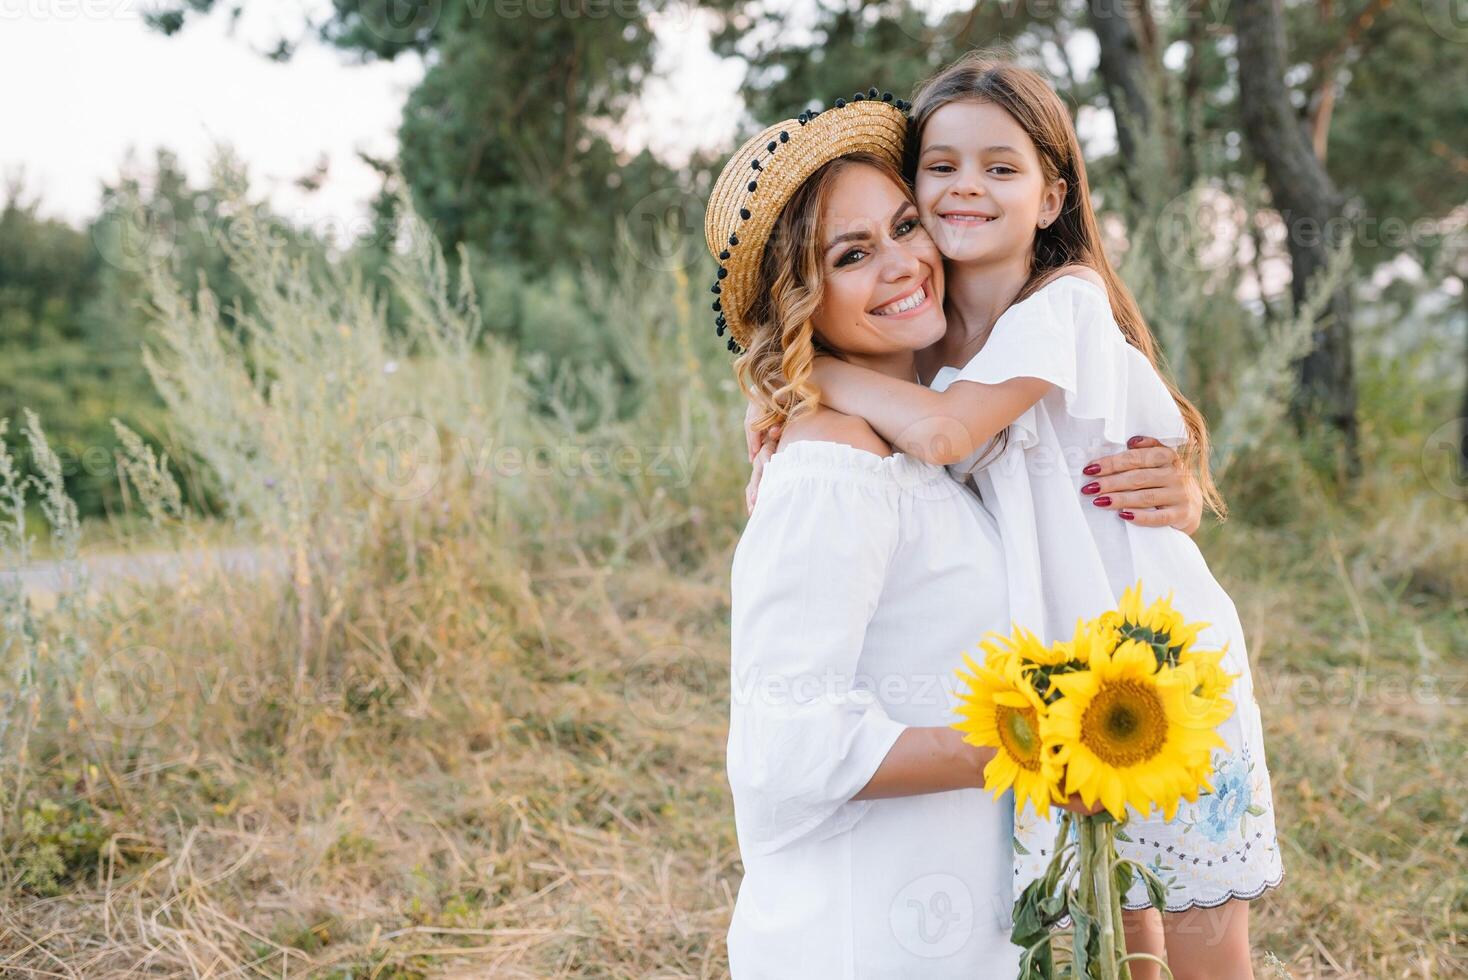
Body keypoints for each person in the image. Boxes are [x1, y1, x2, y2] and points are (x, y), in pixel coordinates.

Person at [785, 56, 1285, 979]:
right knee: (1115, 914)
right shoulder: (925, 355)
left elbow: (942, 437)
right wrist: (785, 413)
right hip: (1062, 683)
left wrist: (799, 373)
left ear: (1052, 197)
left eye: (1000, 168)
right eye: (940, 167)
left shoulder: (1064, 306)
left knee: (1202, 926)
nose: (966, 185)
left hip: (1162, 662)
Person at [706, 90, 1203, 976]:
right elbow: (786, 742)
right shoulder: (830, 468)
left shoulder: (938, 413)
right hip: (862, 941)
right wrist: (1031, 742)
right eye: (852, 255)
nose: (903, 264)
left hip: (944, 926)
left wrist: (1179, 484)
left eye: (904, 226)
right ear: (800, 302)